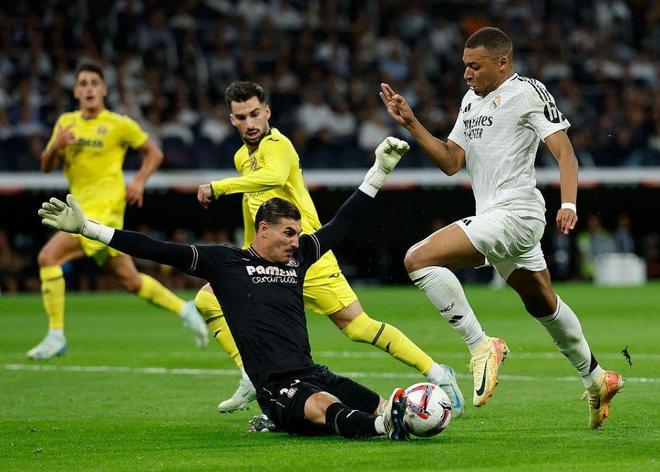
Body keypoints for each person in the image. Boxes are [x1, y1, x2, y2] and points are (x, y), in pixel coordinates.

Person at [38, 137, 415, 440]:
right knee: (325, 406)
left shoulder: (298, 257)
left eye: (297, 234)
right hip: (275, 388)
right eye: (288, 233)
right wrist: (88, 229)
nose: (295, 241)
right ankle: (384, 429)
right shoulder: (225, 263)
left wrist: (379, 171)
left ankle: (400, 418)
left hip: (313, 372)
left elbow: (341, 223)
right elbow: (156, 249)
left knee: (379, 403)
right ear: (263, 229)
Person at [379, 27, 623, 429]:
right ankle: (596, 377)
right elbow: (451, 162)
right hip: (497, 217)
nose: (467, 74)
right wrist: (412, 123)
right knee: (542, 303)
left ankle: (481, 345)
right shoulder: (469, 102)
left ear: (503, 62)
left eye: (475, 66)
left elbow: (565, 153)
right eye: (465, 66)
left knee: (417, 259)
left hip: (517, 213)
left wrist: (568, 203)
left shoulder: (527, 92)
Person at [195, 81, 464, 416]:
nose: (250, 123)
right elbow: (253, 207)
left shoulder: (278, 145)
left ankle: (438, 374)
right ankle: (251, 374)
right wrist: (248, 252)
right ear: (232, 120)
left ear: (267, 112)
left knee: (357, 327)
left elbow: (272, 177)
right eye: (241, 117)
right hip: (269, 260)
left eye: (254, 114)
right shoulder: (241, 158)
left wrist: (219, 187)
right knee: (208, 298)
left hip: (307, 255)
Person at [28, 62, 208, 360]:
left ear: (103, 90)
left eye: (94, 83)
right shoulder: (66, 123)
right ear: (76, 91)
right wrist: (56, 145)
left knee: (48, 257)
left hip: (104, 210)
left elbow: (154, 152)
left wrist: (138, 181)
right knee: (130, 281)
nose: (89, 88)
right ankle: (184, 308)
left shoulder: (118, 124)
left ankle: (56, 334)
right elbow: (46, 167)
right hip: (80, 205)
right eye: (83, 83)